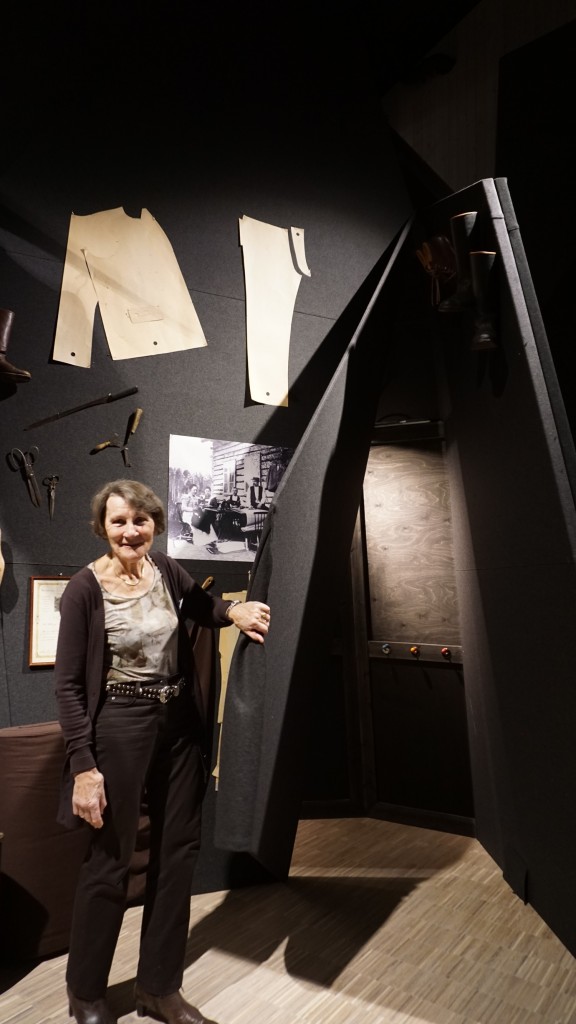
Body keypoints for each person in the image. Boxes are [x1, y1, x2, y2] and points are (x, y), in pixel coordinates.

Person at [54, 479, 270, 1024]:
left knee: (177, 854)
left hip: (178, 724)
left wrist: (234, 612)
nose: (131, 531)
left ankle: (159, 988)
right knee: (111, 858)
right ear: (102, 527)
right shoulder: (84, 589)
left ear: (155, 524)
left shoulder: (167, 570)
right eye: (119, 521)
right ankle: (85, 993)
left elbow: (203, 606)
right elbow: (69, 687)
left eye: (141, 520)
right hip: (119, 724)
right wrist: (84, 767)